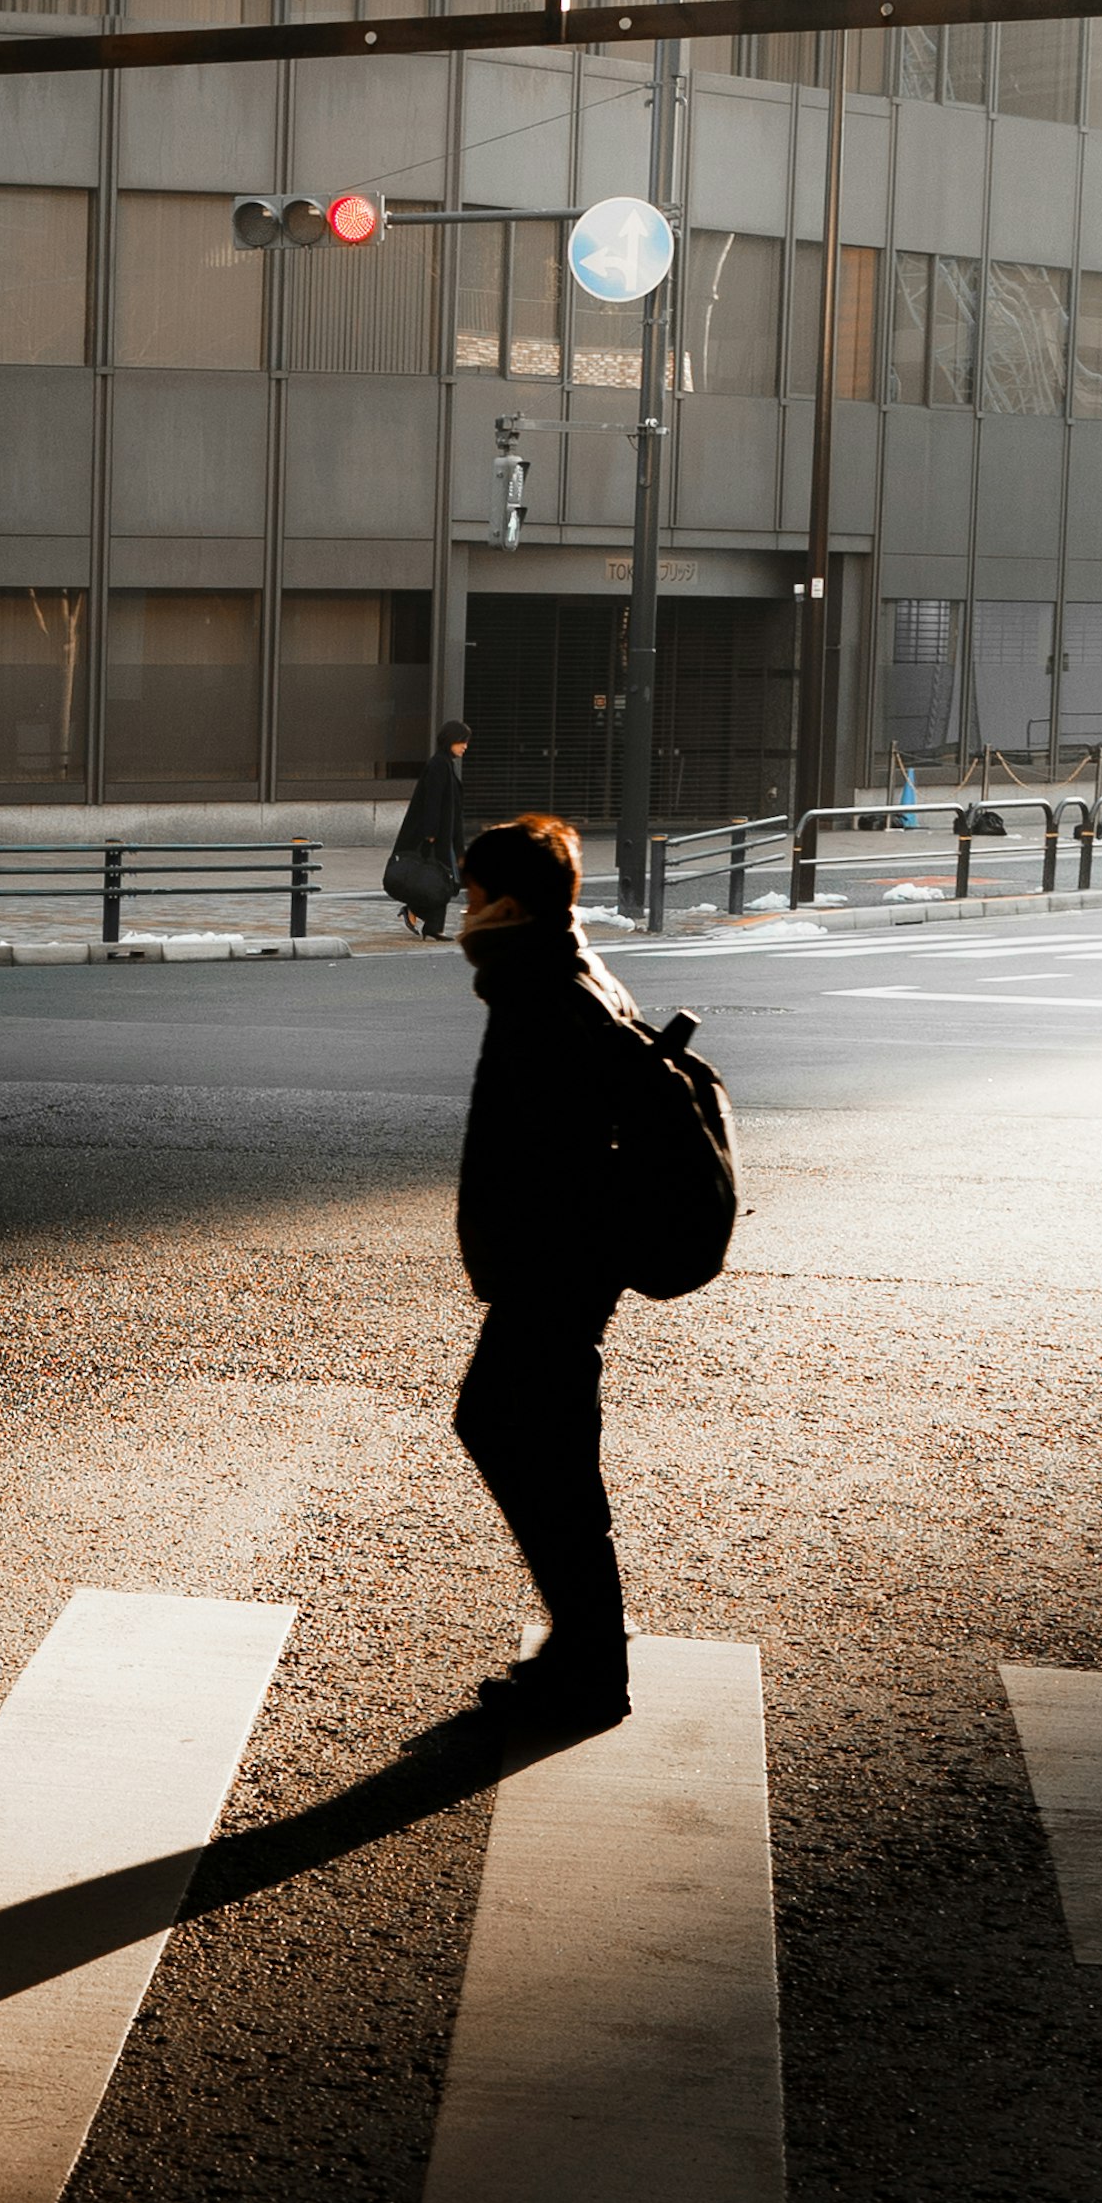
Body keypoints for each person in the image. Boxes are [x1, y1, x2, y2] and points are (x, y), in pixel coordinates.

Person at [445, 808, 633, 1735]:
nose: (462, 910)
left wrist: (517, 1258)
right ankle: (586, 1646)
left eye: (473, 894)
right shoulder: (560, 970)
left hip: (555, 1268)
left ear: (506, 903)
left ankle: (592, 1658)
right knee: (537, 1441)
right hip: (562, 1264)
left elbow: (545, 1150)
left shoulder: (540, 992)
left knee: (516, 1433)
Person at [383, 719, 470, 937]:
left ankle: (430, 924)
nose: (465, 746)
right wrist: (430, 834)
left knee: (445, 881)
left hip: (446, 836)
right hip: (435, 836)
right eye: (462, 741)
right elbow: (432, 801)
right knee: (440, 881)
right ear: (450, 740)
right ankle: (422, 916)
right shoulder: (438, 765)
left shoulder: (446, 764)